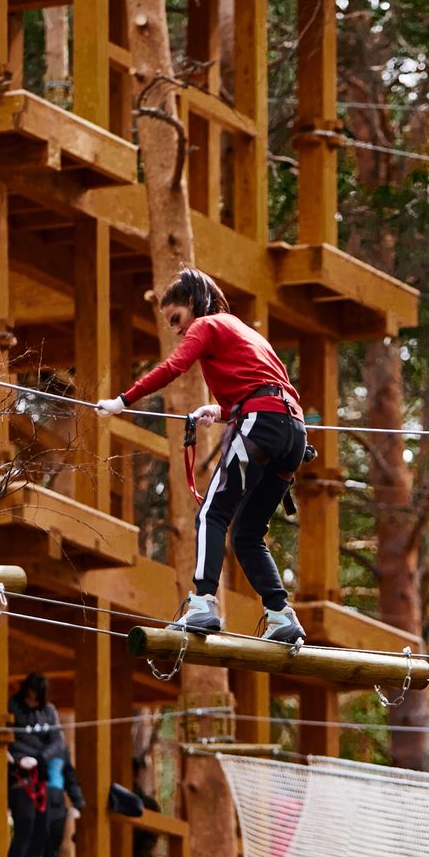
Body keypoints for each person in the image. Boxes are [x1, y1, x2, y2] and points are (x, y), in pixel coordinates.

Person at [94, 268, 310, 647]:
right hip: (291, 433)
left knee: (212, 513)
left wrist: (122, 401)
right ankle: (280, 614)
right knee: (245, 534)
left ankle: (202, 604)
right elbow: (264, 388)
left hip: (261, 424)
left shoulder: (207, 325)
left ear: (192, 304)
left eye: (176, 319)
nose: (177, 330)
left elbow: (173, 367)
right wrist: (220, 411)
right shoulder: (244, 331)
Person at [7, 672, 67, 857]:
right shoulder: (12, 706)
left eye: (35, 698)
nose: (31, 701)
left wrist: (41, 758)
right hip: (18, 778)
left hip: (41, 776)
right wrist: (18, 759)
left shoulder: (49, 712)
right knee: (25, 826)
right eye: (28, 696)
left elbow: (58, 742)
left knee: (41, 832)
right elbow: (5, 739)